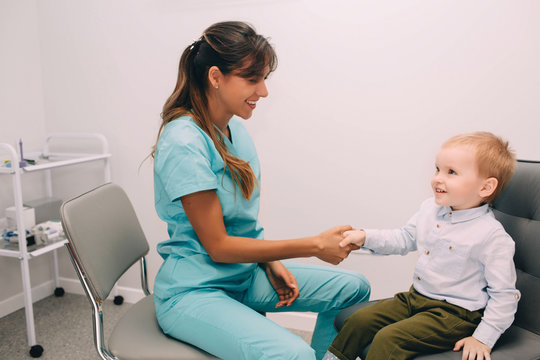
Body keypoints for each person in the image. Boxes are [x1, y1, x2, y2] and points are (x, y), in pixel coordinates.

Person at [151, 21, 370, 360]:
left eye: (264, 78)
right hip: (195, 291)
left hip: (241, 275)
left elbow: (239, 221)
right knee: (294, 354)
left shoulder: (234, 129)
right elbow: (219, 247)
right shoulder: (184, 141)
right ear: (215, 77)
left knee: (353, 289)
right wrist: (313, 246)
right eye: (252, 79)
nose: (263, 91)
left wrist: (270, 260)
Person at [323, 132, 520, 360]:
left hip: (456, 315)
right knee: (359, 321)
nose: (437, 178)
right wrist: (365, 237)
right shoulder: (430, 209)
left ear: (485, 188)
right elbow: (405, 238)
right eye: (438, 169)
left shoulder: (491, 236)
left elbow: (505, 296)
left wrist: (483, 338)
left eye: (451, 172)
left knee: (389, 338)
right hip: (416, 298)